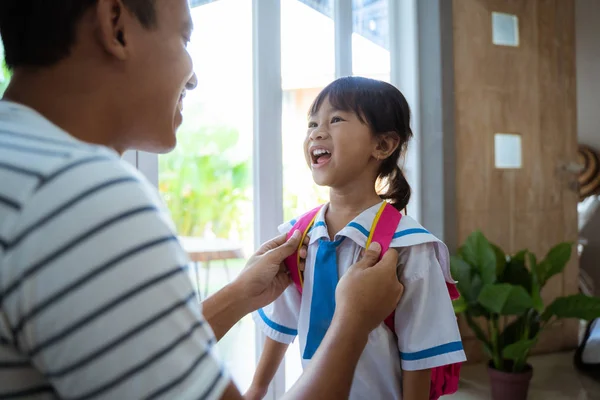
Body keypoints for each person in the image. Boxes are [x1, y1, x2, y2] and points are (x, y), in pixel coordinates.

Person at [0, 1, 404, 399]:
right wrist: (352, 323)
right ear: (116, 25)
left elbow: (140, 352)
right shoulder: (82, 196)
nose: (192, 79)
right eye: (183, 37)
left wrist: (239, 295)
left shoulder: (20, 165)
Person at [247, 77, 466, 400]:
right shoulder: (298, 238)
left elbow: (420, 352)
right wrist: (257, 388)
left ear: (382, 145)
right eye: (312, 123)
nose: (317, 132)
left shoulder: (407, 246)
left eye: (335, 119)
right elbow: (282, 320)